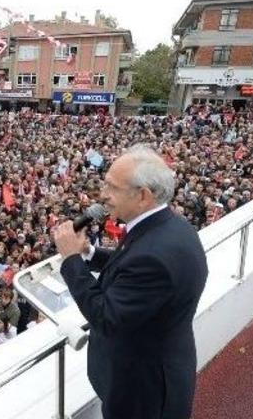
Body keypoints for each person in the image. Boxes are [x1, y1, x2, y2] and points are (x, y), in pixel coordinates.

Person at [54, 145, 208, 419]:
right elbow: (130, 263)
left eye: (112, 188)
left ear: (143, 196)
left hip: (142, 391)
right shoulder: (168, 227)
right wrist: (89, 253)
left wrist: (71, 261)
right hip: (153, 369)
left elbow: (106, 317)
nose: (103, 195)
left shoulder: (153, 256)